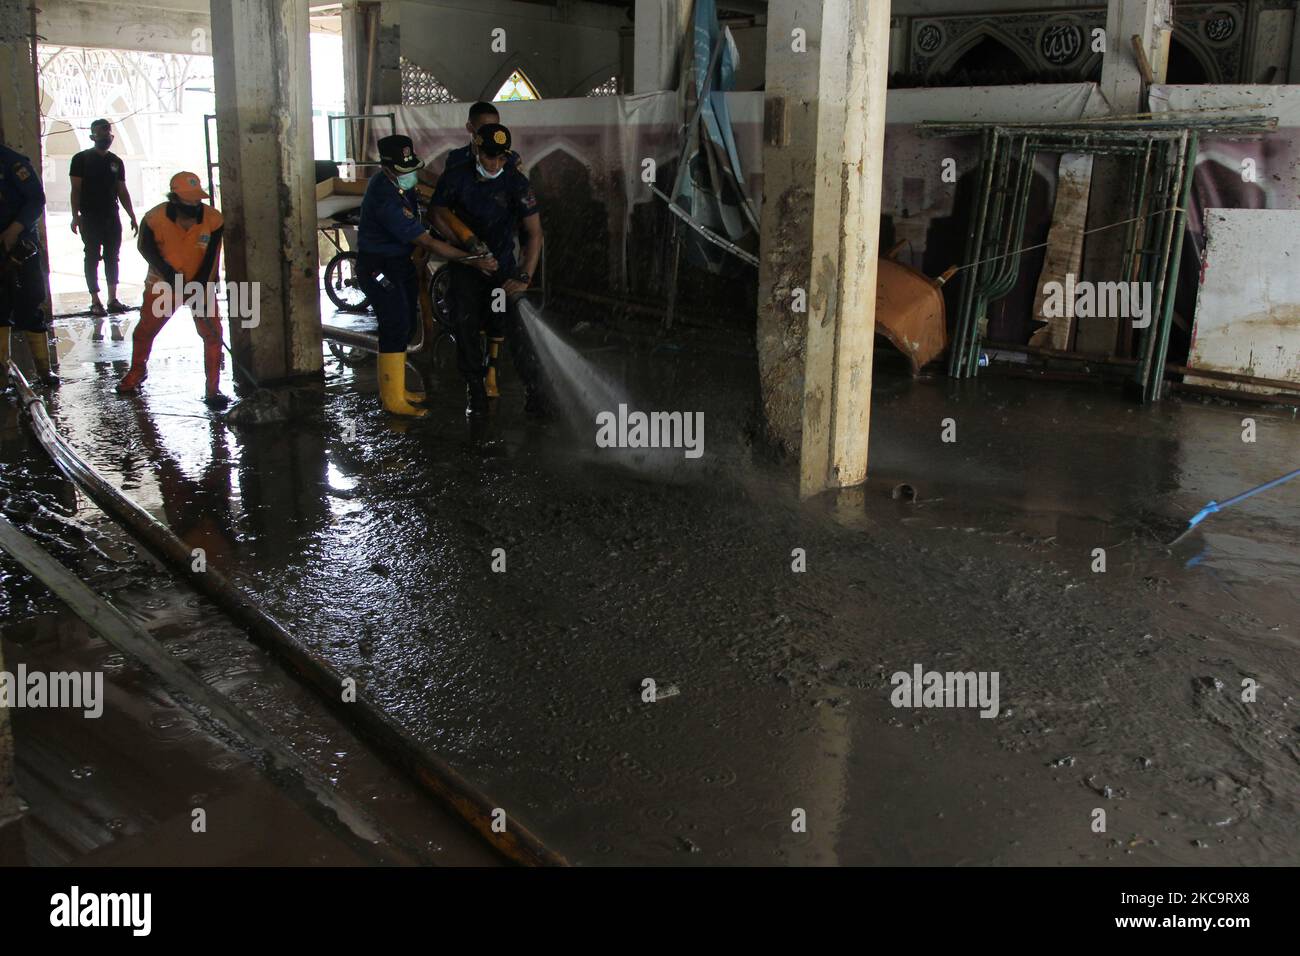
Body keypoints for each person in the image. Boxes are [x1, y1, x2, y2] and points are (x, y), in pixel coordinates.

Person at [356, 134, 496, 418]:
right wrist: (469, 259)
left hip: (399, 262)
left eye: (412, 169)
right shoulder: (385, 198)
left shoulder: (397, 185)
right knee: (394, 324)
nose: (411, 176)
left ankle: (398, 388)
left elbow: (422, 204)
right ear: (386, 167)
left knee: (406, 325)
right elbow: (428, 242)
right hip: (378, 266)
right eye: (404, 171)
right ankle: (392, 399)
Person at [431, 122, 545, 416]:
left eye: (500, 157)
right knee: (465, 326)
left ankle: (535, 392)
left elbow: (535, 233)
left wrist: (523, 277)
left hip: (499, 274)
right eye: (487, 156)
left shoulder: (516, 184)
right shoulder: (456, 178)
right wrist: (468, 247)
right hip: (467, 270)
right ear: (476, 149)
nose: (493, 164)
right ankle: (475, 389)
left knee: (513, 328)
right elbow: (438, 212)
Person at [115, 172, 229, 406]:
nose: (194, 206)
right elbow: (146, 249)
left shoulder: (213, 219)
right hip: (162, 283)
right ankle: (137, 372)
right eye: (188, 201)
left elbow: (211, 258)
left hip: (201, 283)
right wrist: (171, 276)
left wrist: (198, 285)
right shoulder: (154, 218)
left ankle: (213, 390)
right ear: (174, 198)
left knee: (212, 334)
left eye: (197, 201)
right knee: (145, 331)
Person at [0, 140, 54, 387]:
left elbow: (36, 200)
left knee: (30, 300)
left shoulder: (13, 163)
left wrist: (14, 230)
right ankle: (3, 371)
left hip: (20, 245)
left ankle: (44, 371)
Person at [69, 119, 137, 316]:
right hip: (90, 216)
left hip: (111, 216)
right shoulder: (81, 159)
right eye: (101, 133)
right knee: (91, 256)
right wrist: (75, 216)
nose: (106, 136)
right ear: (92, 136)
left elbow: (122, 190)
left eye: (108, 133)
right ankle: (95, 300)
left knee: (112, 257)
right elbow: (75, 190)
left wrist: (131, 215)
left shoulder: (116, 162)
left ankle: (112, 299)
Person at [443, 102, 522, 174]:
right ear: (469, 127)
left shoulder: (511, 159)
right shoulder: (456, 158)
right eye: (485, 127)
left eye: (495, 127)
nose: (492, 133)